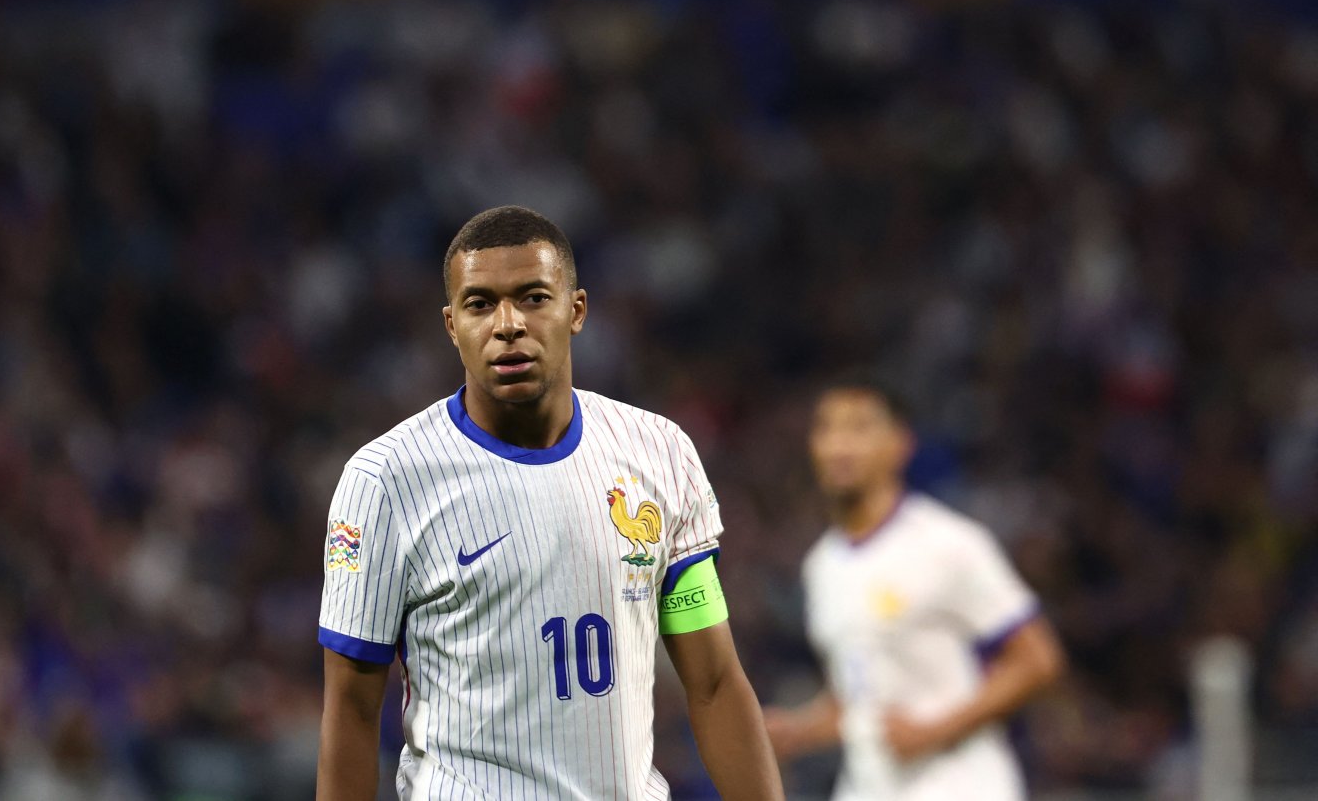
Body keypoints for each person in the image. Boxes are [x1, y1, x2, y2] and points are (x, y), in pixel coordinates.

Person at [317, 205, 785, 800]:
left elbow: (715, 682)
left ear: (576, 310)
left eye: (533, 297)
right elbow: (352, 712)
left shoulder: (660, 453)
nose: (507, 324)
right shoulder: (385, 480)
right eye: (480, 303)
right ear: (451, 324)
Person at [764, 376, 1064, 800]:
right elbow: (856, 691)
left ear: (900, 445)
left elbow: (1037, 660)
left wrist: (933, 732)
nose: (838, 445)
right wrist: (798, 730)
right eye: (826, 428)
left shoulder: (948, 543)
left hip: (959, 784)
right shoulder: (822, 565)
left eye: (858, 428)